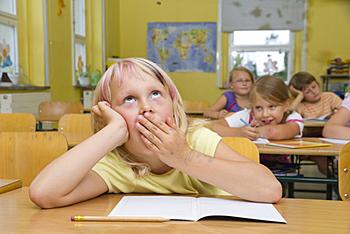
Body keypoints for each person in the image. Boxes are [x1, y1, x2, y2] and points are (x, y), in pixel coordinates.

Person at [29, 58, 281, 208]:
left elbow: (270, 189)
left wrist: (185, 157)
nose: (146, 107)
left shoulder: (195, 138)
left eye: (156, 94)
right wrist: (112, 132)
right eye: (129, 99)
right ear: (110, 112)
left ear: (172, 102)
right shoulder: (116, 162)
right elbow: (44, 193)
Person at [209, 75, 304, 141]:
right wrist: (238, 132)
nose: (265, 114)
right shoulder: (247, 114)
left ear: (286, 105)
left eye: (272, 107)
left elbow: (273, 132)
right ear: (252, 106)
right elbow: (212, 127)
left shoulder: (293, 117)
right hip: (249, 163)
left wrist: (250, 132)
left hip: (284, 168)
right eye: (258, 108)